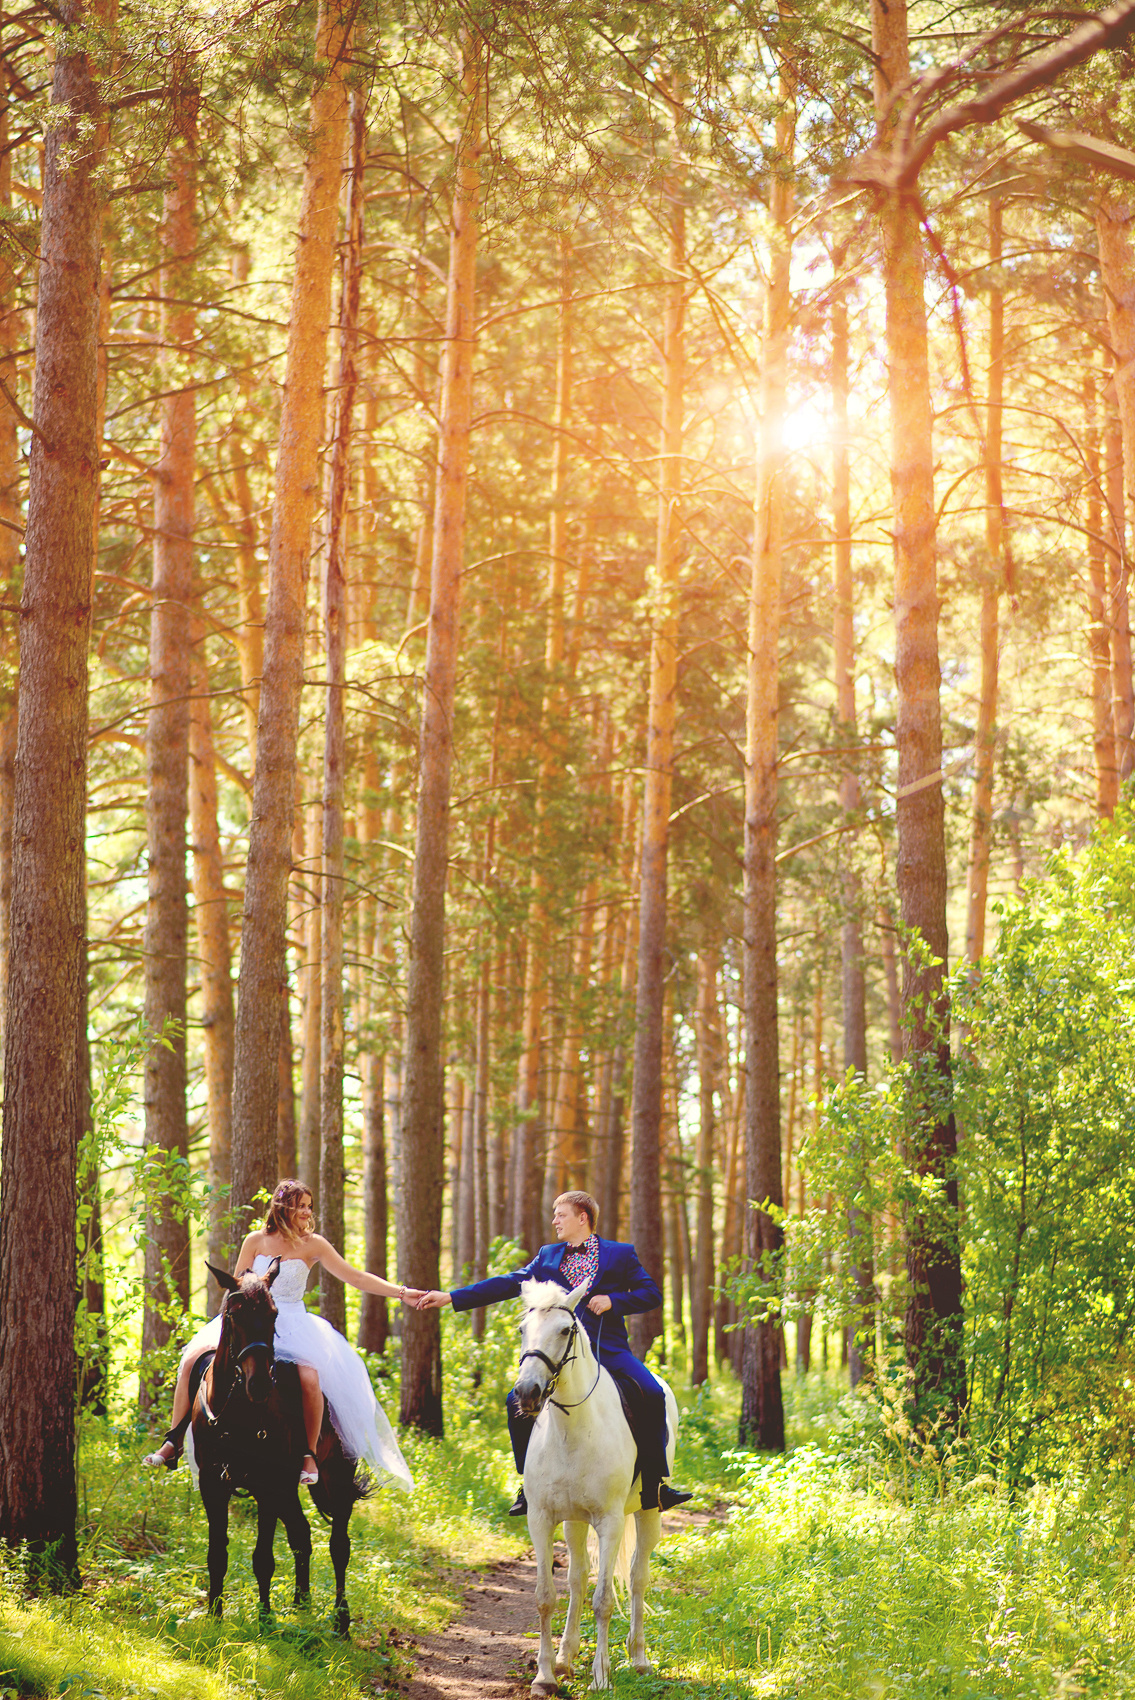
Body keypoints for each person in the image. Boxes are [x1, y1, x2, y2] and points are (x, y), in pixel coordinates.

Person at [418, 1190, 692, 1516]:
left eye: (560, 1214)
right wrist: (451, 1297)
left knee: (650, 1393)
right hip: (558, 1354)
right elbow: (508, 1282)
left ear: (583, 1218)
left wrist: (613, 1301)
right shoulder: (548, 1256)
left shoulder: (620, 1255)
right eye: (554, 1214)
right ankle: (527, 1486)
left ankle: (654, 1485)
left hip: (609, 1349)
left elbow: (651, 1293)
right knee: (513, 1401)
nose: (554, 1221)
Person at [143, 1179, 420, 1489]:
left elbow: (354, 1276)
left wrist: (402, 1292)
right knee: (191, 1359)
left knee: (310, 1379)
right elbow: (238, 1286)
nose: (306, 1212)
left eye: (309, 1207)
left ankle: (308, 1454)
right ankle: (174, 1441)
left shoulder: (313, 1244)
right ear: (283, 1207)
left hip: (293, 1323)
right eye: (300, 1206)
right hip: (252, 1321)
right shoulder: (256, 1240)